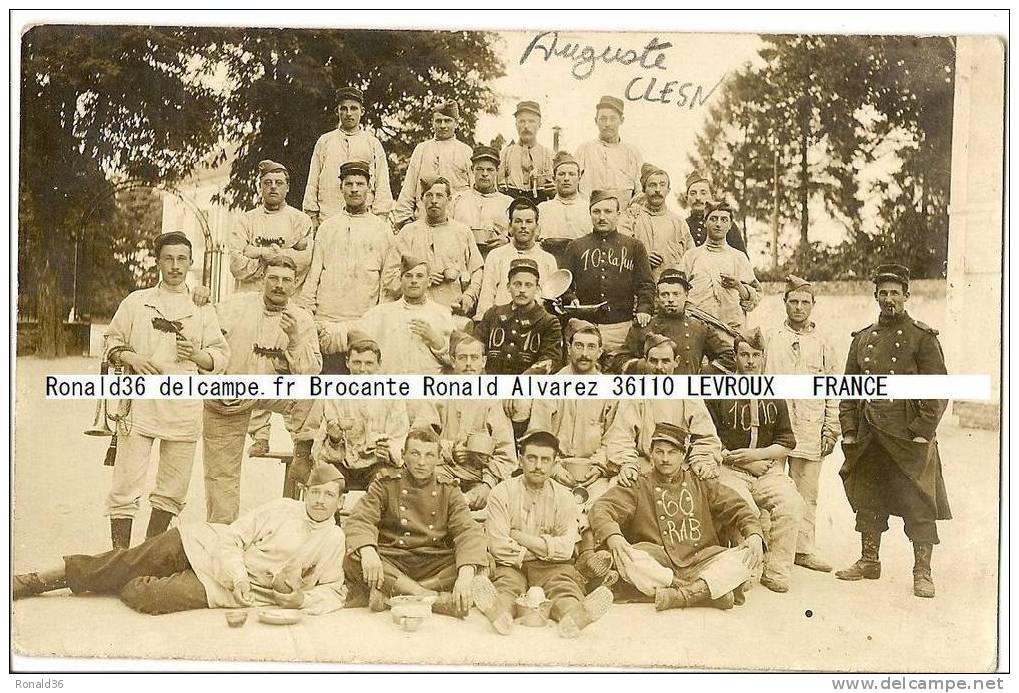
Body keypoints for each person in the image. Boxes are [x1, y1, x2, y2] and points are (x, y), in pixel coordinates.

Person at [14, 463, 348, 616]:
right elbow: (232, 538)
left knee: (149, 599)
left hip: (225, 589)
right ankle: (37, 580)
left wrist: (301, 602)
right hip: (203, 546)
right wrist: (239, 575)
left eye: (328, 495)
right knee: (126, 561)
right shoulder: (282, 508)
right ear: (305, 492)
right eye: (315, 492)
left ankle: (117, 578)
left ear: (340, 501)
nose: (320, 501)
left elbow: (334, 589)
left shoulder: (333, 538)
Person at [102, 231, 229, 548]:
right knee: (127, 481)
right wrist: (132, 356)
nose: (175, 266)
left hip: (183, 406)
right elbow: (112, 342)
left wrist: (198, 355)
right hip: (140, 404)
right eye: (168, 258)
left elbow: (221, 356)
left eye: (181, 259)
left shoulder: (201, 308)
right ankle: (120, 553)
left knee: (173, 486)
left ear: (191, 263)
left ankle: (147, 553)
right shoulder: (137, 302)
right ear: (158, 262)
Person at [835, 263, 950, 599]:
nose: (888, 299)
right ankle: (869, 560)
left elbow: (938, 389)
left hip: (907, 434)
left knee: (918, 502)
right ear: (875, 296)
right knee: (869, 497)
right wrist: (850, 430)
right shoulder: (863, 339)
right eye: (883, 293)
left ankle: (922, 572)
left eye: (894, 293)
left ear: (906, 295)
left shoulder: (921, 337)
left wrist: (921, 431)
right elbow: (849, 389)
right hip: (871, 432)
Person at [588, 423, 764, 610]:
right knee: (625, 555)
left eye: (672, 452)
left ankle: (677, 595)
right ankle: (704, 592)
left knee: (747, 555)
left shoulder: (701, 482)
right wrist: (613, 536)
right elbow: (601, 508)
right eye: (659, 452)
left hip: (702, 559)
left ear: (683, 454)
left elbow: (738, 507)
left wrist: (754, 535)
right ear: (651, 453)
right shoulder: (639, 484)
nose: (665, 459)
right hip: (658, 561)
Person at [204, 256, 322, 520]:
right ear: (262, 280)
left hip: (276, 391)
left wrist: (293, 340)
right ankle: (222, 533)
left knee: (316, 393)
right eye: (273, 278)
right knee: (221, 473)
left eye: (286, 280)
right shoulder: (235, 306)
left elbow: (311, 372)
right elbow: (205, 332)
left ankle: (303, 448)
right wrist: (199, 299)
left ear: (295, 285)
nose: (279, 285)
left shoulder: (301, 318)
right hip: (233, 393)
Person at [473, 429, 614, 638]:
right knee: (507, 588)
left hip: (553, 567)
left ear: (555, 463)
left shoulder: (565, 497)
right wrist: (545, 548)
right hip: (512, 566)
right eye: (532, 458)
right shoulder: (501, 493)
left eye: (545, 460)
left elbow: (566, 550)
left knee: (564, 588)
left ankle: (574, 616)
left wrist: (520, 537)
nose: (538, 466)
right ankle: (499, 611)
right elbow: (499, 546)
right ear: (521, 460)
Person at [343, 429, 489, 619]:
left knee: (482, 562)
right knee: (354, 558)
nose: (421, 462)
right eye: (415, 453)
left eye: (429, 455)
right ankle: (432, 599)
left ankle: (394, 595)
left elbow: (467, 530)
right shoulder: (386, 483)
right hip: (395, 559)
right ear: (403, 455)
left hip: (432, 561)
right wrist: (368, 552)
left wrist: (466, 574)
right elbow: (361, 518)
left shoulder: (449, 489)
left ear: (438, 458)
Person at [706, 329, 803, 593]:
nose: (750, 361)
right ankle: (745, 570)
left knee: (791, 503)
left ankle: (777, 570)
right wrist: (745, 462)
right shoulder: (719, 391)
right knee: (742, 508)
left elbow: (787, 440)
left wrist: (758, 456)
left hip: (767, 469)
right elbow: (711, 438)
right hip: (731, 469)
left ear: (763, 358)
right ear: (735, 356)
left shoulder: (772, 391)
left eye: (755, 355)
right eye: (744, 354)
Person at [761, 275, 841, 573]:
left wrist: (831, 428)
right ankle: (769, 549)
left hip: (810, 426)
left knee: (807, 492)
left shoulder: (823, 344)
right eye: (792, 302)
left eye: (804, 302)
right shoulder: (771, 338)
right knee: (770, 488)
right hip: (775, 426)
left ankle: (803, 550)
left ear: (813, 305)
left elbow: (833, 389)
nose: (798, 307)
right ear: (784, 303)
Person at [302, 160, 401, 374]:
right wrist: (309, 318)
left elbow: (387, 283)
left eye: (360, 183)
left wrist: (378, 323)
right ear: (341, 188)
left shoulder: (382, 230)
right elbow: (313, 276)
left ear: (369, 188)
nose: (354, 189)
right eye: (349, 184)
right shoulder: (327, 228)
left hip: (364, 323)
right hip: (327, 323)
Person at [411, 331, 518, 510]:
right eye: (462, 358)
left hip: (480, 476)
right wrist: (448, 449)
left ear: (483, 362)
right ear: (453, 361)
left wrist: (487, 485)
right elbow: (418, 437)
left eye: (474, 358)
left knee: (499, 501)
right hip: (442, 471)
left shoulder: (493, 401)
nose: (468, 364)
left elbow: (506, 455)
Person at [318, 254, 455, 375]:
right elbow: (350, 332)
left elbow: (456, 359)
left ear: (429, 281)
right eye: (408, 276)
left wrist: (434, 339)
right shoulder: (382, 313)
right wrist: (320, 329)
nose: (414, 280)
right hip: (390, 391)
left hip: (427, 391)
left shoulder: (441, 313)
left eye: (419, 276)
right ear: (400, 281)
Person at [559, 190, 656, 351]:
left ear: (618, 214)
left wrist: (644, 309)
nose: (602, 217)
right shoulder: (575, 246)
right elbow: (562, 283)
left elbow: (646, 284)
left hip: (621, 327)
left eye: (608, 211)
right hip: (584, 326)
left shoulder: (634, 246)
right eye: (596, 211)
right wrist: (570, 297)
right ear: (590, 214)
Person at [312, 333, 410, 491]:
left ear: (379, 364)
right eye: (357, 362)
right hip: (342, 461)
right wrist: (334, 439)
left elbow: (400, 436)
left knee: (386, 482)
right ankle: (328, 516)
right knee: (325, 479)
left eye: (369, 363)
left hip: (377, 463)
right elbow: (323, 445)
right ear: (347, 363)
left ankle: (370, 516)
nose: (362, 369)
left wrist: (389, 451)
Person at [609, 268, 735, 375]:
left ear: (686, 295)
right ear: (657, 297)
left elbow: (728, 355)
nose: (670, 299)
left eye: (676, 294)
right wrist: (643, 366)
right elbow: (619, 360)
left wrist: (703, 374)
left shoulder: (699, 327)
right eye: (665, 294)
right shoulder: (643, 326)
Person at [303, 86, 393, 225]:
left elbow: (382, 184)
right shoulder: (325, 142)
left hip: (365, 220)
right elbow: (313, 180)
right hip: (328, 217)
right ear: (337, 112)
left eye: (354, 108)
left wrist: (380, 218)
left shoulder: (372, 143)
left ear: (362, 111)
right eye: (343, 109)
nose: (348, 113)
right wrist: (312, 216)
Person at [396, 177, 484, 318]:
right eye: (429, 195)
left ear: (449, 200)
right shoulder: (408, 233)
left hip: (452, 311)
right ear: (422, 199)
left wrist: (469, 295)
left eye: (439, 196)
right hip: (415, 312)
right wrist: (422, 278)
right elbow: (391, 275)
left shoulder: (462, 232)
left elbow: (477, 270)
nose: (434, 200)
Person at [228, 159, 314, 295]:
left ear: (287, 187)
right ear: (260, 187)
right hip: (250, 298)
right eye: (267, 183)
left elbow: (303, 263)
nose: (273, 187)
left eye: (279, 183)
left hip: (285, 301)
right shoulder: (245, 220)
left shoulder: (300, 220)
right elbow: (236, 266)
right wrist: (269, 254)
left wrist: (256, 252)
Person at [680, 201, 761, 331]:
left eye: (724, 220)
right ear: (705, 223)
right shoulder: (691, 256)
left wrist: (738, 285)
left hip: (730, 327)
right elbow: (679, 290)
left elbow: (754, 297)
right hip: (696, 327)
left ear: (730, 225)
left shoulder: (738, 258)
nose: (718, 224)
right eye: (713, 219)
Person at [391, 100, 473, 228]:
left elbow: (474, 192)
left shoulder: (466, 151)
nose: (443, 125)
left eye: (448, 121)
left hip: (457, 223)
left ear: (456, 123)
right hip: (424, 222)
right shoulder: (422, 149)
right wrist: (405, 220)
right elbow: (409, 186)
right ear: (432, 123)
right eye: (438, 121)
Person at [474, 257, 562, 375]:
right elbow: (475, 346)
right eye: (517, 284)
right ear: (508, 287)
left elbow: (551, 360)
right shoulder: (493, 314)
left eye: (528, 285)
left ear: (537, 289)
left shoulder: (548, 321)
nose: (522, 290)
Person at [476, 197, 558, 318]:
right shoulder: (496, 256)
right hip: (502, 322)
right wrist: (483, 322)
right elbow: (487, 295)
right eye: (518, 221)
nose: (523, 226)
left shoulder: (548, 260)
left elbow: (551, 299)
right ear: (510, 227)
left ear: (537, 227)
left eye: (529, 221)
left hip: (536, 324)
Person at [619, 164, 695, 280]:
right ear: (644, 189)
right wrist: (641, 257)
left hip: (671, 292)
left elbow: (692, 259)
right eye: (652, 185)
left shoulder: (678, 222)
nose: (657, 190)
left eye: (662, 185)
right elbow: (618, 250)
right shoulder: (631, 218)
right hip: (639, 290)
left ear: (668, 190)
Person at [575, 95, 643, 203]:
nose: (608, 124)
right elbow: (573, 184)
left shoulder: (632, 152)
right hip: (589, 214)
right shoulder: (584, 150)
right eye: (603, 119)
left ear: (622, 120)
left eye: (613, 118)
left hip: (623, 216)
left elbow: (640, 191)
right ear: (595, 121)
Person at [450, 145, 514, 257]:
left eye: (490, 170)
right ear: (472, 170)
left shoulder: (508, 203)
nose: (485, 174)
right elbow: (445, 229)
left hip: (496, 259)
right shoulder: (457, 200)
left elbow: (521, 236)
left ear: (497, 171)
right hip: (462, 259)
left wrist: (508, 240)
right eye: (480, 169)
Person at [497, 100, 555, 203]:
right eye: (522, 121)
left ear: (539, 125)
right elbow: (497, 187)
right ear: (516, 125)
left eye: (531, 121)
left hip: (540, 206)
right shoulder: (505, 154)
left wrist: (555, 190)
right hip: (512, 206)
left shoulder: (549, 155)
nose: (526, 126)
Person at [537, 152, 590, 259]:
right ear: (554, 178)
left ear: (579, 178)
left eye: (571, 174)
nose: (566, 178)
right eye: (561, 174)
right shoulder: (542, 209)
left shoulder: (588, 209)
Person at [683, 170, 747, 255]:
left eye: (703, 193)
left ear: (712, 197)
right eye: (693, 193)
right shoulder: (682, 226)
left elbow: (742, 260)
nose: (698, 197)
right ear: (687, 198)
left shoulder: (726, 224)